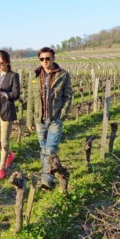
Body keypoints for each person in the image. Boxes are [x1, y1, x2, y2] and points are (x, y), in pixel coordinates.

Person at [27, 47, 73, 188]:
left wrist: (62, 115)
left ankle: (46, 179)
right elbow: (30, 100)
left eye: (47, 58)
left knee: (50, 149)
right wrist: (29, 120)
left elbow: (68, 96)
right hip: (39, 119)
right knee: (43, 148)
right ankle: (49, 172)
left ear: (53, 58)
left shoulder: (63, 75)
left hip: (55, 119)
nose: (45, 61)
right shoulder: (34, 77)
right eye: (42, 59)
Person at [0, 50, 20, 180]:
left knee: (4, 142)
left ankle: (1, 167)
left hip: (7, 111)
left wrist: (3, 93)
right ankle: (8, 155)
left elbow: (16, 95)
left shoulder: (13, 76)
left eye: (1, 63)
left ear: (7, 62)